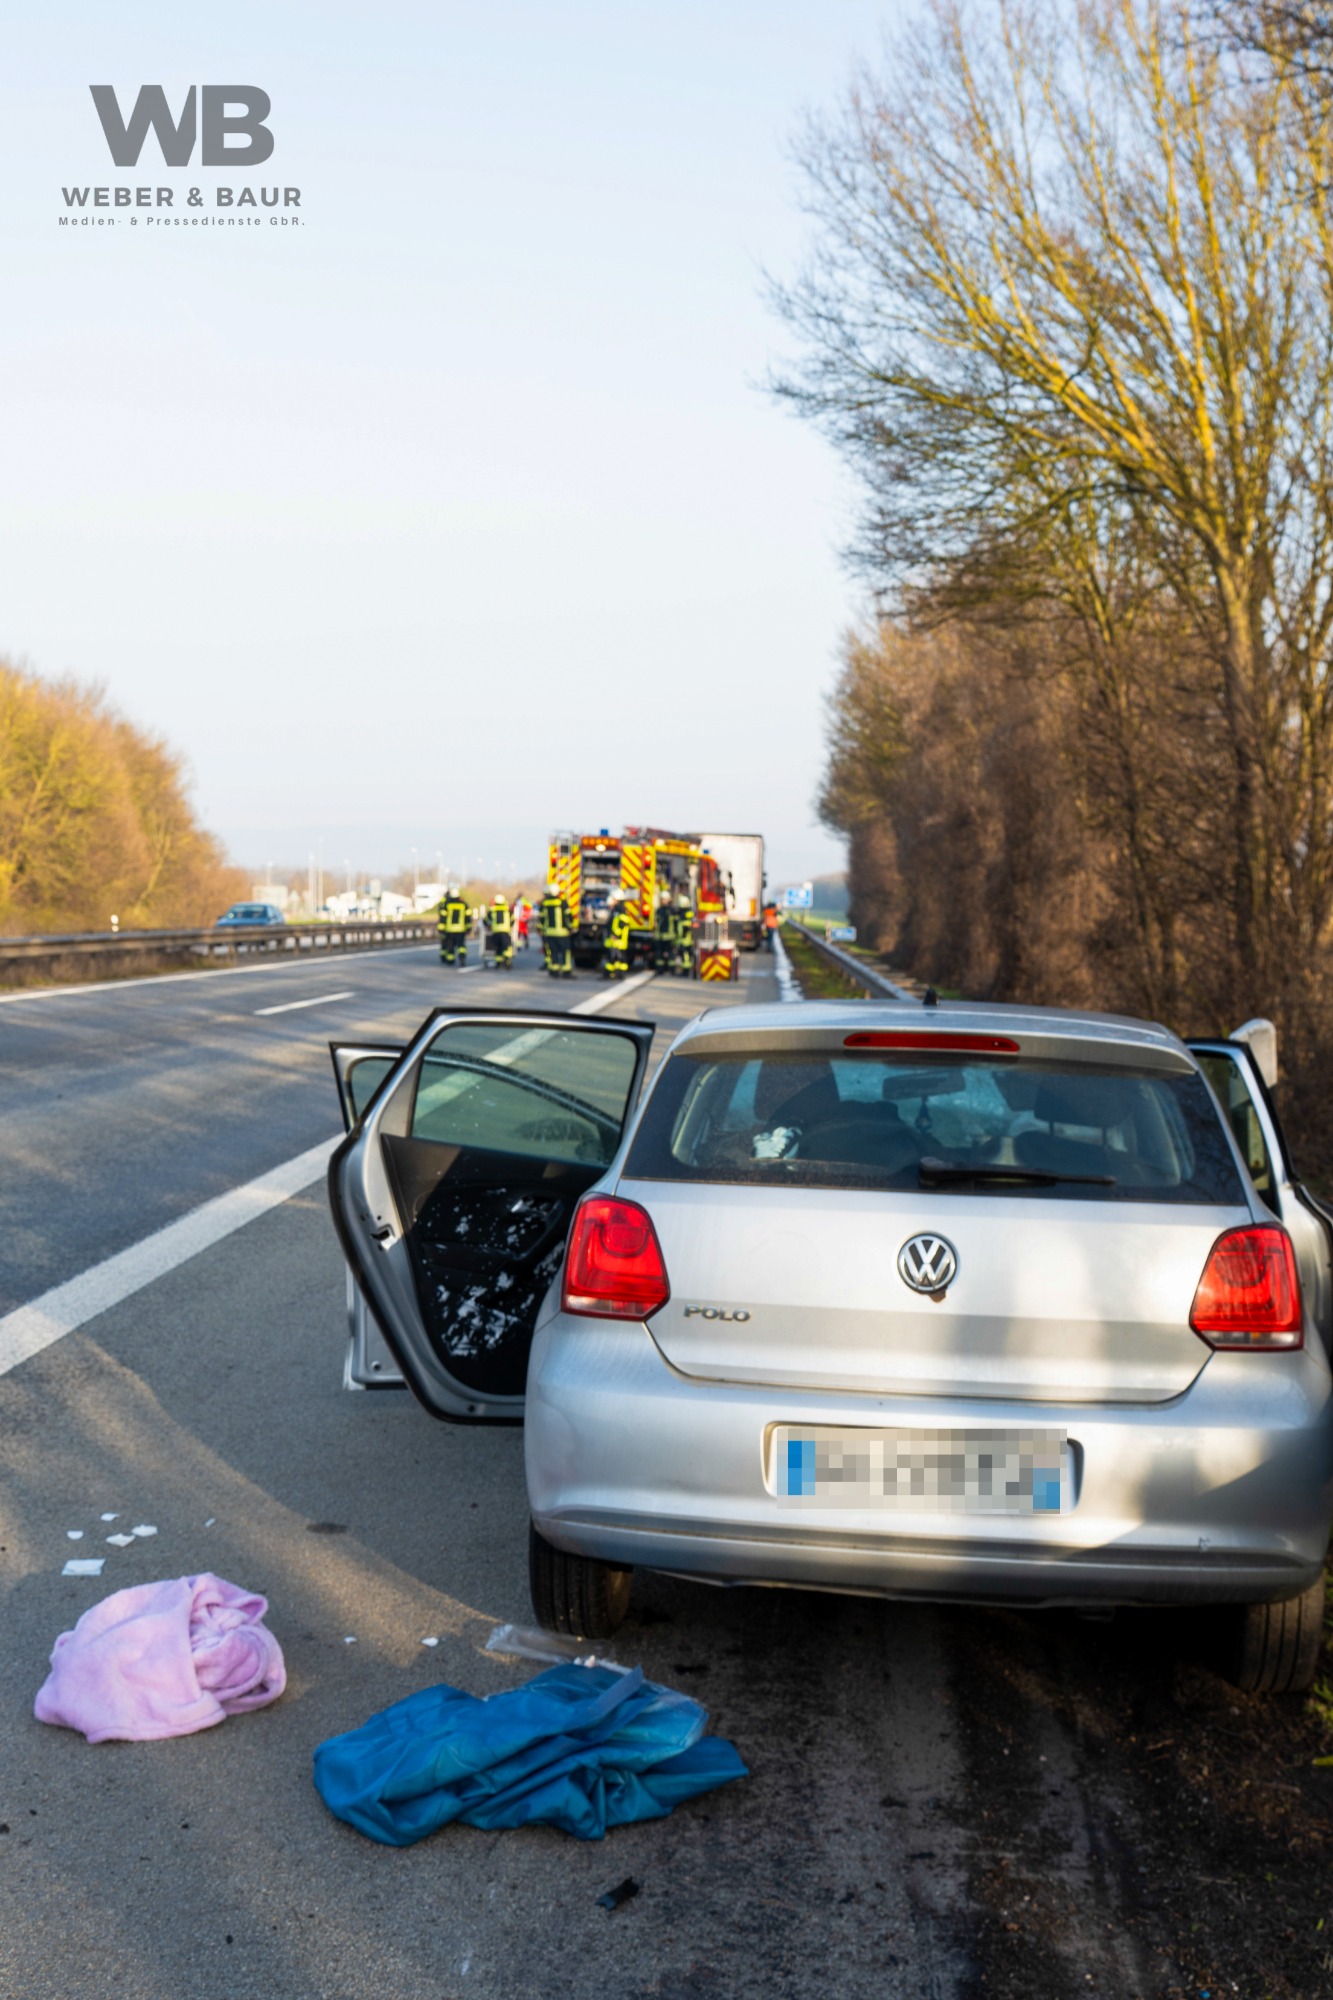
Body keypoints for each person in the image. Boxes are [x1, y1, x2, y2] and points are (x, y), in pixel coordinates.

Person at [539, 882, 574, 978]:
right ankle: (566, 972)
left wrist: (541, 929)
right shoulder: (562, 902)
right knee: (565, 952)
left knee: (553, 952)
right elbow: (568, 917)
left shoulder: (544, 903)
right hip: (562, 933)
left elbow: (541, 918)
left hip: (549, 933)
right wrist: (570, 927)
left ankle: (554, 971)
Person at [601, 894, 633, 981]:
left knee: (620, 958)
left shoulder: (620, 910)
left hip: (619, 940)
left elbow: (622, 924)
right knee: (615, 957)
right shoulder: (616, 910)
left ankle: (619, 974)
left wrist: (616, 935)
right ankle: (613, 973)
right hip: (616, 940)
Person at [438, 885, 470, 966]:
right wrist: (468, 928)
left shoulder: (447, 904)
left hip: (450, 929)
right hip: (460, 929)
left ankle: (450, 960)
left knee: (450, 945)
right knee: (461, 946)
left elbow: (443, 918)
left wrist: (441, 928)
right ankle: (462, 958)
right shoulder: (464, 904)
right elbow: (468, 917)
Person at [485, 893, 515, 969]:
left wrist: (488, 926)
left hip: (496, 932)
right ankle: (507, 960)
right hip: (505, 931)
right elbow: (513, 919)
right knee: (507, 947)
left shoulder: (492, 909)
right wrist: (510, 926)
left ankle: (498, 963)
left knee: (498, 947)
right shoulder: (507, 909)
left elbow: (486, 920)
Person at [652, 894, 675, 973]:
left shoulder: (672, 910)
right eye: (663, 899)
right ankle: (660, 969)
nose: (664, 901)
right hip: (659, 935)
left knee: (670, 953)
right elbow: (656, 922)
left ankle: (671, 970)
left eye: (665, 899)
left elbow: (675, 923)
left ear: (669, 900)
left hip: (669, 936)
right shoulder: (659, 910)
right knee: (659, 953)